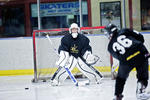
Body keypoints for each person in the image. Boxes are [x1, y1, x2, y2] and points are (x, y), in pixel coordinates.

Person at [104, 24, 150, 100]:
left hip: (126, 59)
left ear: (110, 33)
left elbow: (118, 57)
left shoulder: (110, 47)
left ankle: (117, 95)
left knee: (120, 78)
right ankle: (141, 91)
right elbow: (140, 37)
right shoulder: (124, 30)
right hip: (140, 52)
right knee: (142, 75)